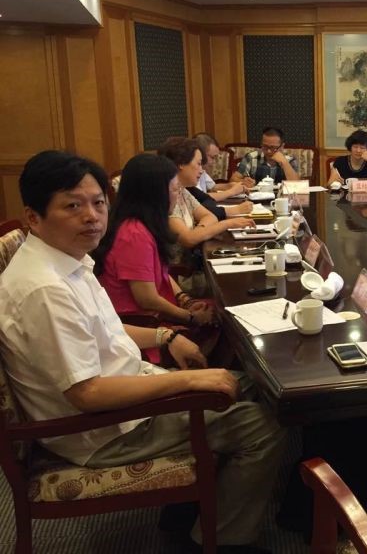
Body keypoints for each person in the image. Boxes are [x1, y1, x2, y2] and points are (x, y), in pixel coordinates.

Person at [0, 150, 286, 552]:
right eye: (73, 206)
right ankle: (222, 542)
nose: (92, 216)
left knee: (255, 385)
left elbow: (106, 329)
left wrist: (166, 338)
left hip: (126, 393)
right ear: (33, 217)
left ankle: (184, 513)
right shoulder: (45, 289)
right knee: (263, 424)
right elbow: (87, 393)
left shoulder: (66, 261)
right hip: (105, 430)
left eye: (98, 203)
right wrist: (188, 381)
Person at [93, 154, 218, 365]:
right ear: (155, 194)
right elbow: (147, 299)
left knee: (220, 312)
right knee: (224, 322)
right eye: (175, 190)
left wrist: (186, 300)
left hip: (156, 315)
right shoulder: (133, 234)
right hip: (144, 327)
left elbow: (161, 273)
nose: (178, 195)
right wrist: (188, 317)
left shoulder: (143, 225)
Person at [157, 137, 254, 264]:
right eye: (198, 164)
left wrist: (198, 232)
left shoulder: (182, 191)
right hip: (181, 271)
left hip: (193, 261)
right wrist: (227, 224)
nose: (202, 170)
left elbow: (210, 216)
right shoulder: (168, 196)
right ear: (181, 164)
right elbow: (188, 239)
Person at [229, 126, 300, 185]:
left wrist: (284, 163)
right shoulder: (251, 157)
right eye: (265, 146)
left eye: (273, 148)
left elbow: (297, 185)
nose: (268, 151)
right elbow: (233, 180)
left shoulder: (290, 160)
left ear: (282, 146)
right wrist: (243, 182)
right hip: (256, 196)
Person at [193, 132, 249, 201]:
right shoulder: (191, 173)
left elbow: (213, 187)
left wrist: (230, 185)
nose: (214, 162)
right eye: (212, 157)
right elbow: (201, 197)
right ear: (201, 154)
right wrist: (231, 192)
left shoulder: (202, 171)